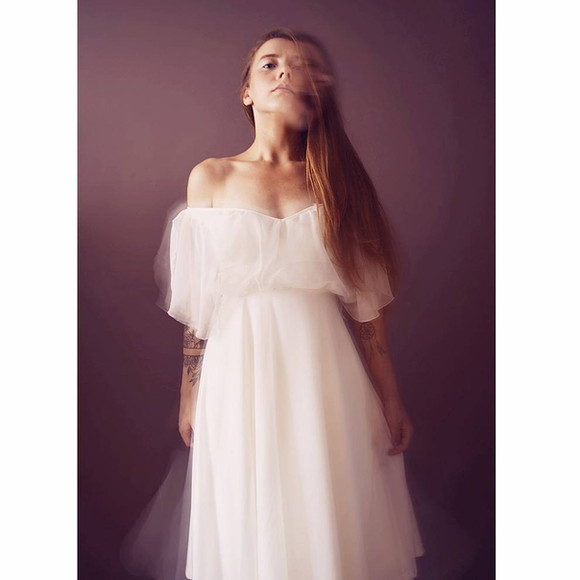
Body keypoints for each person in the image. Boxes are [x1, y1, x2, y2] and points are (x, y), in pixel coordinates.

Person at [127, 27, 425, 580]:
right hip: (237, 373)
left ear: (316, 90)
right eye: (269, 63)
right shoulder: (211, 177)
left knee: (322, 507)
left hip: (323, 374)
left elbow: (367, 309)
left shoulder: (336, 183)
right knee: (250, 510)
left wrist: (390, 396)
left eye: (300, 64)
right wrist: (190, 394)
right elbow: (199, 301)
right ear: (246, 92)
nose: (285, 70)